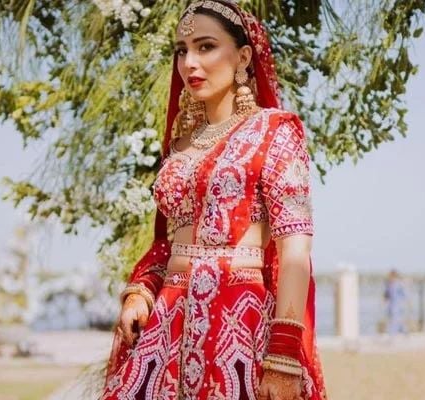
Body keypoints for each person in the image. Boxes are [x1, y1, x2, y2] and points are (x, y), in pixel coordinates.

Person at [101, 1, 327, 399]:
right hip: (166, 329)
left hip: (237, 325)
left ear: (242, 56)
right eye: (181, 50)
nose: (190, 62)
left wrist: (285, 352)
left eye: (205, 47)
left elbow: (295, 248)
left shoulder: (274, 132)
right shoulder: (180, 146)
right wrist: (142, 292)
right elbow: (169, 244)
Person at [384, 269, 406, 335]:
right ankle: (405, 332)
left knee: (395, 320)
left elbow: (403, 294)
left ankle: (393, 334)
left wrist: (401, 302)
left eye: (391, 276)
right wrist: (385, 300)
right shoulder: (388, 284)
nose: (390, 277)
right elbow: (386, 294)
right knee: (395, 320)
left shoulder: (398, 284)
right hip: (391, 305)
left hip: (397, 305)